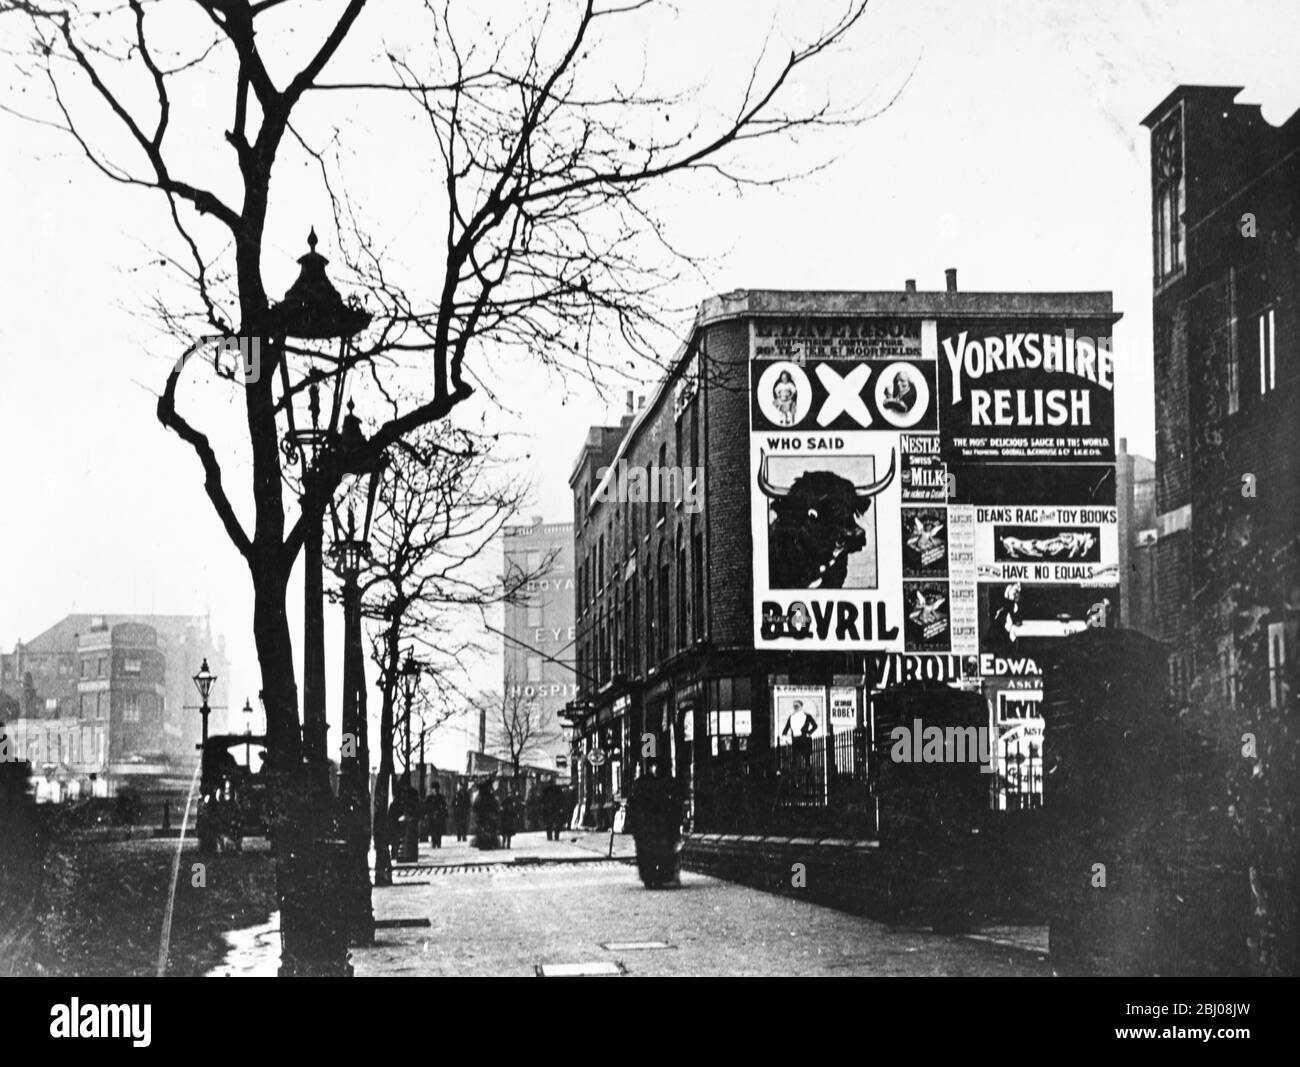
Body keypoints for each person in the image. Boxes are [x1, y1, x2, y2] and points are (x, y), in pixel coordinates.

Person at [627, 759, 683, 888]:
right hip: (653, 827)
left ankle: (654, 877)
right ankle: (654, 877)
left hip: (654, 827)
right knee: (654, 854)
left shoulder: (642, 783)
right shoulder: (667, 783)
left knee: (654, 854)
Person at [471, 778, 500, 850]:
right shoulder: (489, 796)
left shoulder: (480, 796)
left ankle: (484, 844)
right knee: (487, 831)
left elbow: (475, 807)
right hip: (486, 817)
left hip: (483, 817)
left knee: (484, 831)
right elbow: (495, 806)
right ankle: (488, 844)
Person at [424, 782, 448, 848]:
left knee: (439, 830)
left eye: (437, 789)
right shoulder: (429, 798)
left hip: (439, 816)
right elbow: (426, 807)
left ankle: (438, 842)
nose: (436, 790)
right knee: (432, 830)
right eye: (434, 789)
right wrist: (425, 814)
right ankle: (433, 842)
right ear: (432, 789)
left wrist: (445, 813)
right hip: (431, 816)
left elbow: (445, 806)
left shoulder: (441, 797)